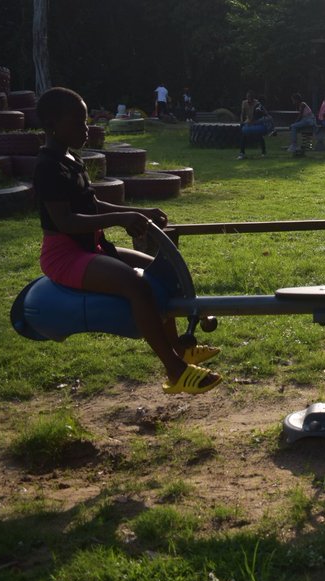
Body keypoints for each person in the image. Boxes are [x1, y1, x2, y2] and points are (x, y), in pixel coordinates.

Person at [33, 87, 221, 394]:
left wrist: (138, 211)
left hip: (90, 245)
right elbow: (65, 222)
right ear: (54, 123)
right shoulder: (48, 167)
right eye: (78, 122)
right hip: (65, 254)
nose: (86, 128)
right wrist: (121, 219)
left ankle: (181, 348)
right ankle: (175, 370)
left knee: (164, 269)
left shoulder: (70, 158)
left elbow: (91, 205)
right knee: (136, 286)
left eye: (86, 120)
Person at [238, 90, 272, 159]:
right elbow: (242, 113)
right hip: (248, 121)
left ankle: (263, 152)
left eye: (250, 97)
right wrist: (241, 120)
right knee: (243, 135)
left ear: (253, 98)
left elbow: (265, 114)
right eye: (247, 97)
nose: (248, 99)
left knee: (259, 136)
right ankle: (242, 153)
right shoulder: (244, 103)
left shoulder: (258, 104)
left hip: (257, 122)